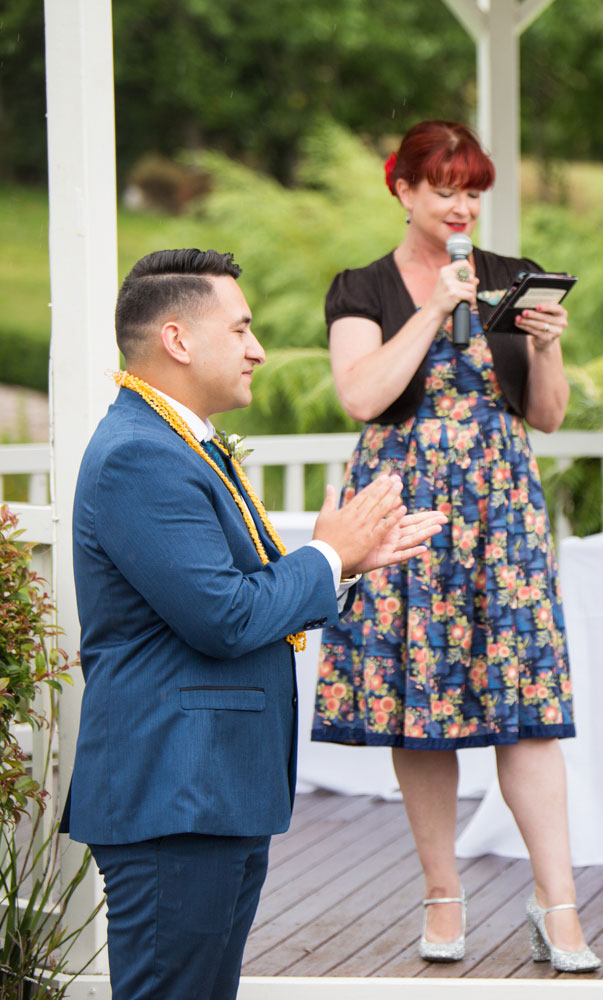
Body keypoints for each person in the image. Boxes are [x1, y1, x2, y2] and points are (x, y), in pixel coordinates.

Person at [63, 248, 446, 1000]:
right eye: (240, 329)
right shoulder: (139, 456)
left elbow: (239, 593)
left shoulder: (180, 444)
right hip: (175, 790)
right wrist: (331, 554)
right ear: (178, 340)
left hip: (212, 788)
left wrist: (348, 564)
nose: (257, 350)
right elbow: (225, 616)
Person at [313, 119, 596, 971]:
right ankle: (443, 896)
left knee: (528, 709)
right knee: (420, 705)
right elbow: (361, 395)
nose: (462, 206)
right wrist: (435, 308)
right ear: (401, 189)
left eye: (473, 190)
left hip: (502, 508)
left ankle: (559, 902)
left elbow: (544, 415)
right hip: (405, 508)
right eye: (445, 189)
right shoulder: (361, 288)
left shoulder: (512, 277)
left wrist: (546, 352)